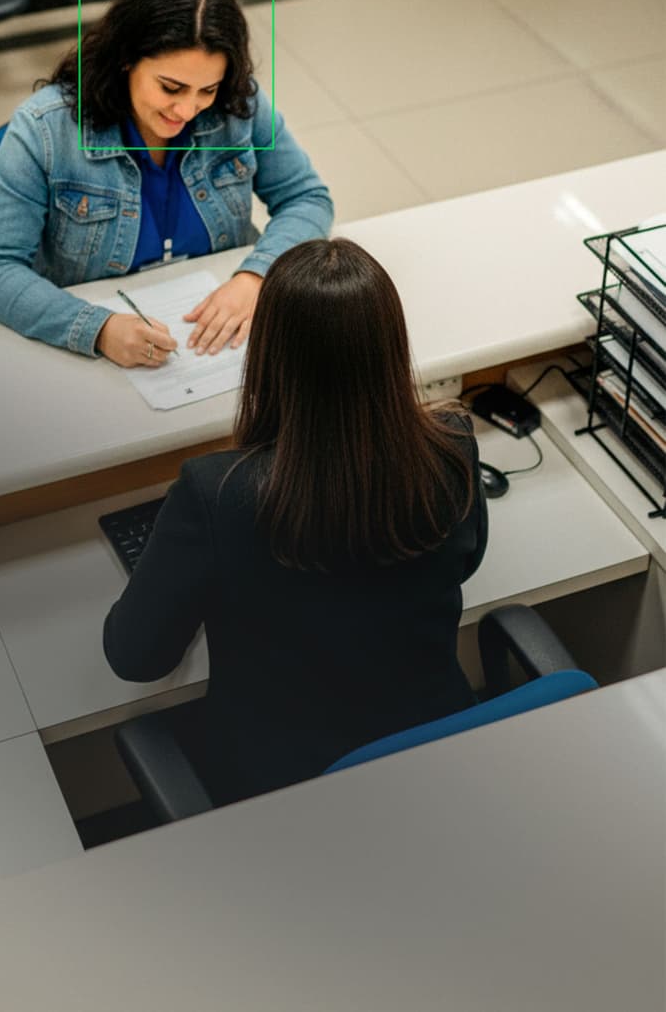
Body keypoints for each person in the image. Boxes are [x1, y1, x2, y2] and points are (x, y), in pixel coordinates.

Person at [103, 238, 489, 806]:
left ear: (268, 355)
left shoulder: (216, 494)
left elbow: (136, 658)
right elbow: (468, 558)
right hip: (437, 759)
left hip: (289, 799)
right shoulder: (452, 445)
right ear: (391, 345)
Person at [0, 0, 333, 366]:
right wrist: (98, 329)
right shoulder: (45, 129)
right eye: (170, 88)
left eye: (206, 90)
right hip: (96, 348)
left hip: (224, 338)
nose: (187, 109)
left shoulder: (240, 104)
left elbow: (307, 198)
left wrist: (256, 276)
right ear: (126, 60)